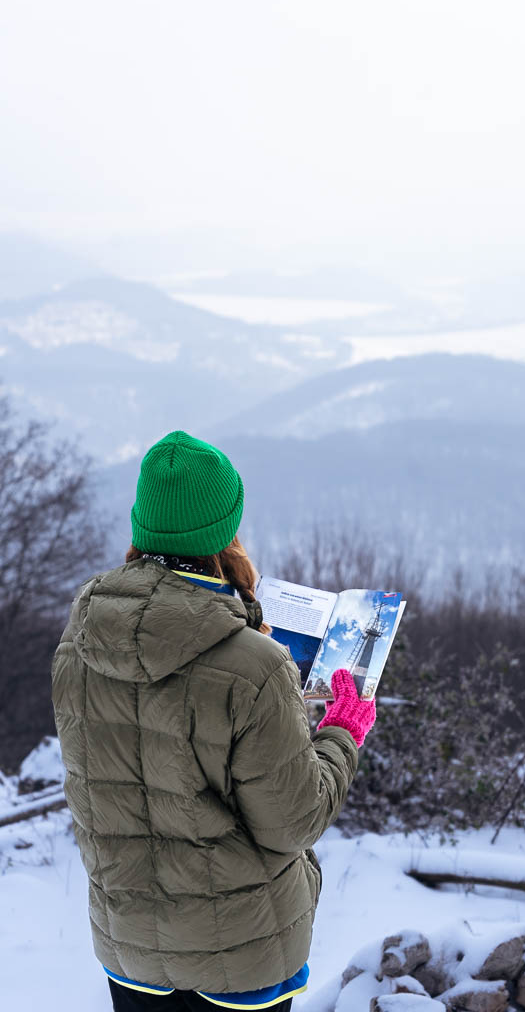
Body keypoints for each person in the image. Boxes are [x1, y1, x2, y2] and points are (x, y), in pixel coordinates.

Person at [51, 429, 377, 1011]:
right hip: (240, 953)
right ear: (224, 532)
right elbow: (293, 821)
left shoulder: (78, 647)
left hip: (131, 950)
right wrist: (342, 733)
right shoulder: (252, 666)